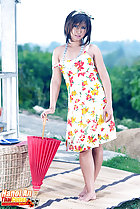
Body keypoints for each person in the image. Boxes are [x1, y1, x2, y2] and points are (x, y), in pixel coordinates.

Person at [41, 10, 117, 202]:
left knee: (97, 145)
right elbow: (55, 81)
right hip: (76, 106)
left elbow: (105, 77)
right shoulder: (58, 52)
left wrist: (109, 104)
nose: (79, 31)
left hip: (97, 102)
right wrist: (52, 106)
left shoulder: (92, 49)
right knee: (84, 148)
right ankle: (90, 188)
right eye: (76, 26)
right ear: (68, 26)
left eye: (83, 27)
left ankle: (90, 189)